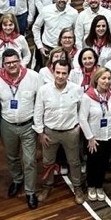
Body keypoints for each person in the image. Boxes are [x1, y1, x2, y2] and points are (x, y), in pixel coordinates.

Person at [0, 48, 41, 209]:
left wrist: (40, 126)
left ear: (20, 61)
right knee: (11, 156)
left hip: (28, 125)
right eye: (8, 63)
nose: (12, 65)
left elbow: (40, 102)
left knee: (30, 160)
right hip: (7, 124)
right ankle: (17, 179)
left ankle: (30, 191)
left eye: (14, 62)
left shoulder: (33, 77)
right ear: (3, 65)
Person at [34, 60, 86, 205]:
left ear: (68, 74)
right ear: (53, 71)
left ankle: (77, 187)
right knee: (48, 162)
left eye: (64, 73)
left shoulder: (76, 89)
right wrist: (40, 133)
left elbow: (81, 111)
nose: (60, 76)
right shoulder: (44, 90)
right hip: (50, 133)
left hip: (71, 132)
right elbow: (38, 112)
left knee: (74, 162)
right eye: (58, 72)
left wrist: (78, 127)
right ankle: (47, 186)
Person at [80, 66, 111, 201]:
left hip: (109, 134)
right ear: (96, 79)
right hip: (94, 137)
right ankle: (91, 186)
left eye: (109, 78)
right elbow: (82, 118)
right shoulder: (87, 97)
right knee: (93, 163)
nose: (106, 81)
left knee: (104, 163)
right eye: (103, 78)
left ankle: (99, 186)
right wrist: (90, 138)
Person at [32, 0, 78, 68]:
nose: (62, 0)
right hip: (48, 49)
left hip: (65, 49)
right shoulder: (46, 10)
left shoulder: (74, 13)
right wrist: (40, 46)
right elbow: (36, 27)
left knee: (63, 72)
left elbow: (77, 32)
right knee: (47, 72)